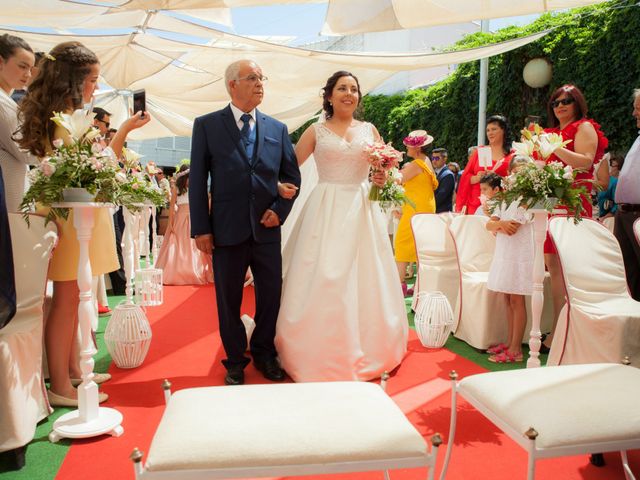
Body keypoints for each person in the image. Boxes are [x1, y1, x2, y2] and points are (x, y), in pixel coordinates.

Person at [17, 41, 150, 406]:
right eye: (92, 79)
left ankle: (74, 371)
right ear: (73, 80)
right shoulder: (63, 118)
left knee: (74, 296)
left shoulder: (64, 114)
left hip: (78, 213)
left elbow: (95, 162)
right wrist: (121, 132)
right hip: (68, 215)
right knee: (66, 298)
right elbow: (96, 164)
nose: (96, 85)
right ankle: (60, 383)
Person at [274, 70, 408, 382]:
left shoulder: (369, 129)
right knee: (323, 273)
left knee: (365, 274)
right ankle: (316, 346)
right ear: (330, 96)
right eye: (342, 88)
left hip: (362, 208)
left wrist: (380, 178)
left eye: (353, 89)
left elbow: (382, 173)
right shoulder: (316, 131)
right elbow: (289, 168)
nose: (349, 93)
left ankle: (370, 344)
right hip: (325, 206)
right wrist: (280, 189)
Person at [190, 59, 301, 386]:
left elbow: (292, 177)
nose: (259, 83)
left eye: (261, 77)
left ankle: (264, 352)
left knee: (271, 295)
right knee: (228, 300)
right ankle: (235, 359)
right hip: (225, 229)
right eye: (252, 78)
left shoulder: (277, 129)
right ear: (232, 85)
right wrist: (201, 228)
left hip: (267, 229)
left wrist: (279, 210)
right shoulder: (207, 125)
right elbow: (198, 181)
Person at [541, 84, 608, 350]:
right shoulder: (551, 133)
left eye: (566, 101)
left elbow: (585, 162)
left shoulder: (583, 127)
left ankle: (566, 331)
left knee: (566, 266)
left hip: (572, 204)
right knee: (553, 266)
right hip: (550, 203)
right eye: (555, 102)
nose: (560, 106)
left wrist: (554, 147)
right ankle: (559, 326)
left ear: (577, 102)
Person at [485, 156, 534, 363]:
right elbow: (489, 224)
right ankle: (509, 340)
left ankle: (516, 348)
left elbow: (513, 227)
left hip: (519, 253)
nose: (518, 176)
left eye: (524, 172)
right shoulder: (505, 198)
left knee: (517, 298)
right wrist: (499, 224)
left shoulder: (530, 198)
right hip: (504, 253)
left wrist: (500, 225)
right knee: (507, 298)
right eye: (516, 172)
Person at [394, 129, 438, 296]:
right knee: (421, 247)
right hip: (423, 208)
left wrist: (385, 164)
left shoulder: (417, 164)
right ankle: (420, 285)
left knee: (401, 244)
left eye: (408, 146)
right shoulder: (426, 161)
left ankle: (400, 285)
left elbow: (397, 179)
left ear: (417, 148)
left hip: (416, 209)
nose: (406, 148)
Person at [156, 163, 213, 285]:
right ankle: (178, 271)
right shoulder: (177, 188)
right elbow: (171, 207)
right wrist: (170, 223)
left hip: (193, 219)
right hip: (180, 219)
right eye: (188, 177)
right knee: (179, 245)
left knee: (193, 245)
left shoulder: (195, 188)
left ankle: (194, 270)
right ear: (183, 178)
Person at [0, 34, 38, 212]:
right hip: (9, 201)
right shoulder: (2, 103)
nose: (28, 74)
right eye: (22, 67)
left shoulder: (6, 101)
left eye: (30, 68)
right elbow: (28, 153)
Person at [456, 115, 513, 214]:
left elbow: (515, 181)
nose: (490, 133)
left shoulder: (512, 155)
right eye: (488, 130)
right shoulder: (480, 151)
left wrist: (497, 178)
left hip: (500, 206)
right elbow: (465, 177)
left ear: (503, 130)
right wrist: (476, 178)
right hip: (476, 204)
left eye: (494, 129)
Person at [614, 88, 640, 301]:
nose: (634, 113)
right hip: (624, 215)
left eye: (638, 108)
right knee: (628, 274)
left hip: (637, 216)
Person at [597, 154, 622, 221]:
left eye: (612, 166)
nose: (610, 168)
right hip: (600, 215)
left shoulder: (615, 182)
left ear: (619, 168)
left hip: (608, 218)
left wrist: (605, 218)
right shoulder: (605, 180)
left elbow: (618, 204)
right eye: (609, 165)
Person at [432, 147, 455, 213]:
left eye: (437, 158)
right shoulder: (433, 172)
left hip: (443, 213)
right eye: (433, 158)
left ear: (444, 159)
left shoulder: (448, 175)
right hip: (435, 212)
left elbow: (441, 197)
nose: (434, 161)